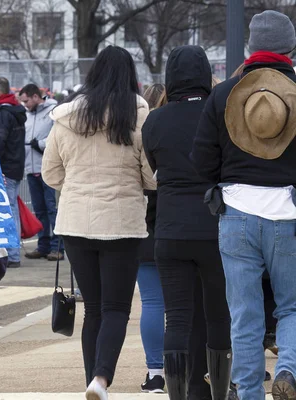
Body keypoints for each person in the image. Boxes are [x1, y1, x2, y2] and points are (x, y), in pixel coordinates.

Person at [192, 10, 296, 400]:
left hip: (235, 214)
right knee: (292, 306)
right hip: (289, 215)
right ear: (290, 46)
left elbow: (200, 160)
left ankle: (248, 391)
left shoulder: (223, 94)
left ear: (251, 46)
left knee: (245, 314)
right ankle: (288, 369)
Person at [42, 45, 156, 400]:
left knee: (92, 308)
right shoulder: (138, 116)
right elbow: (150, 177)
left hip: (75, 222)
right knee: (116, 308)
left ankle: (91, 379)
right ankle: (102, 379)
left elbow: (50, 173)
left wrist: (77, 187)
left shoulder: (65, 118)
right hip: (122, 222)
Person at [142, 46, 232, 400]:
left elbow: (153, 168)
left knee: (176, 317)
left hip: (170, 230)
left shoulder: (155, 120)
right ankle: (217, 392)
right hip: (215, 228)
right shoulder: (220, 115)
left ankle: (178, 395)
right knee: (217, 316)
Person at [136, 84, 166, 394]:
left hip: (143, 227)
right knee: (186, 306)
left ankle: (155, 371)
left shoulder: (138, 135)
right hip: (175, 224)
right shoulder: (177, 133)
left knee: (152, 303)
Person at [0, 77, 26, 268]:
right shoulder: (15, 111)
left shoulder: (2, 113)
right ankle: (13, 252)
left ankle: (11, 253)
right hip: (15, 166)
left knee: (6, 211)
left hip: (4, 168)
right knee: (12, 210)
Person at [18, 84, 62, 262]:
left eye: (27, 101)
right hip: (31, 167)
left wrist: (41, 144)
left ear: (36, 97)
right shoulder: (27, 115)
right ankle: (43, 245)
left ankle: (58, 246)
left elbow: (57, 136)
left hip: (48, 167)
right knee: (40, 210)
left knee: (52, 209)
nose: (25, 104)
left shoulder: (53, 112)